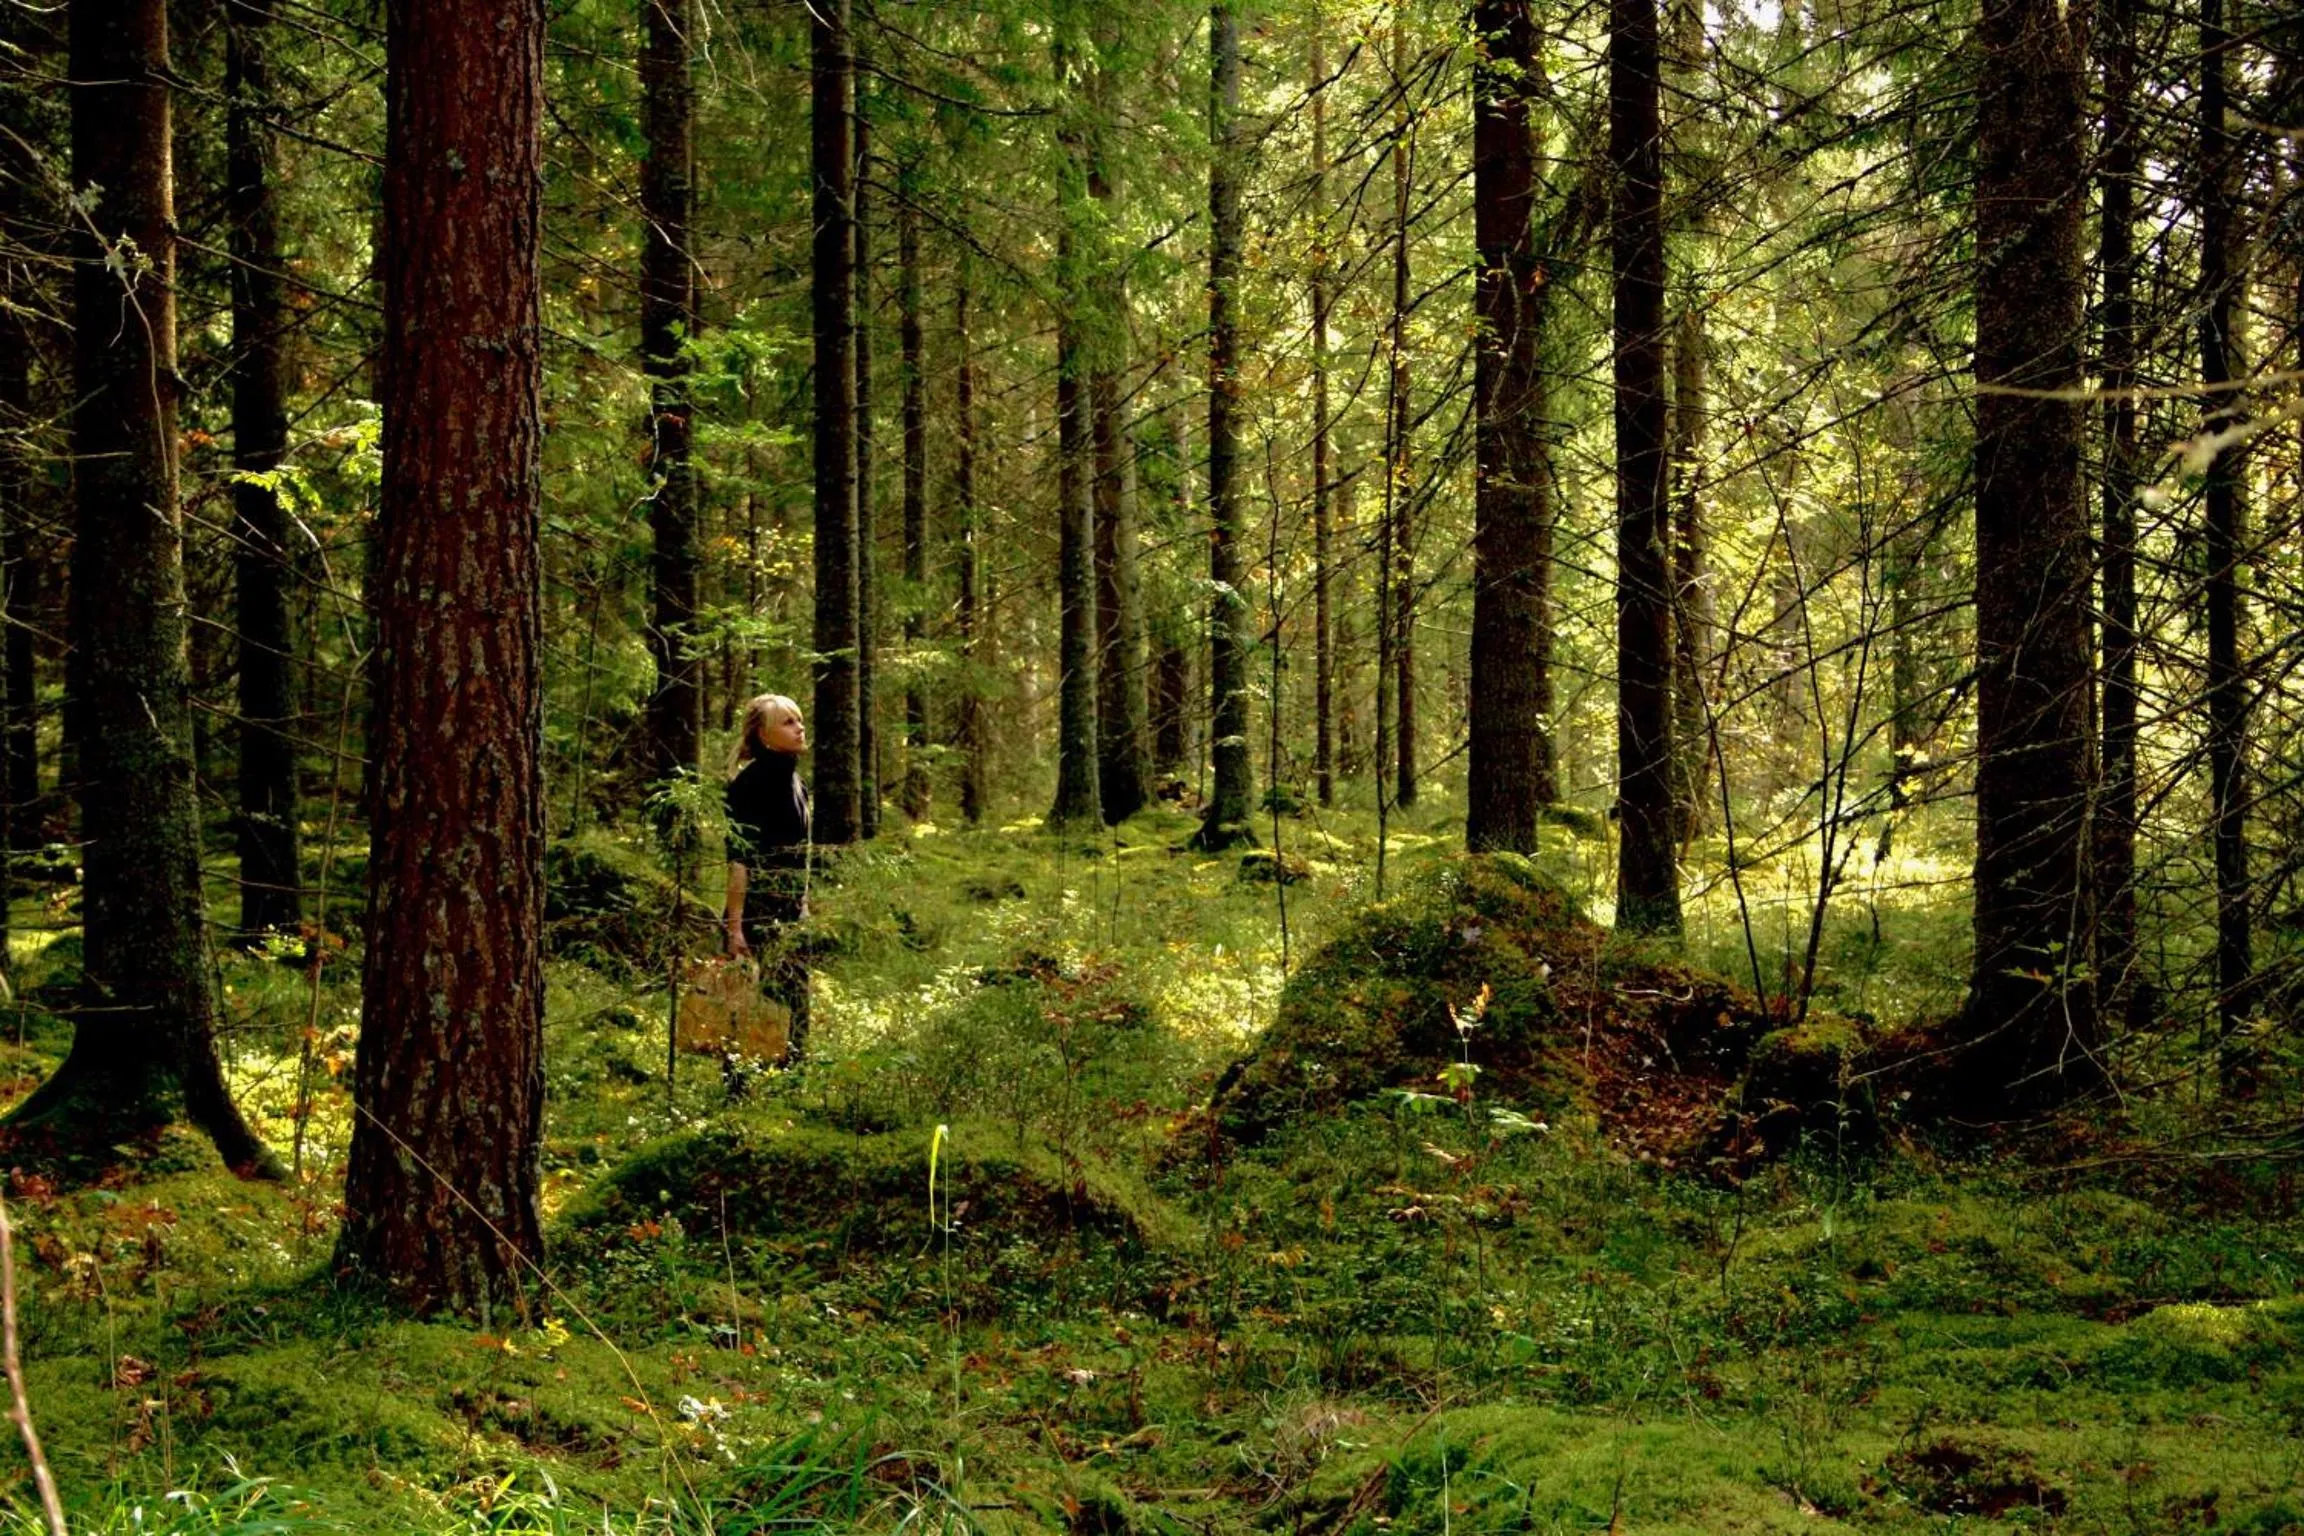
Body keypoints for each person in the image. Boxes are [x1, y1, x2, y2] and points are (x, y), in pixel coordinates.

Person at [724, 692, 812, 1068]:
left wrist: (803, 905)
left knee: (794, 1008)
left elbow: (799, 854)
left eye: (799, 720)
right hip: (758, 913)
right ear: (763, 735)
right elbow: (739, 860)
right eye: (788, 722)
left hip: (790, 912)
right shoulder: (749, 785)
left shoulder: (796, 782)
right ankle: (739, 1098)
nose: (799, 728)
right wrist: (735, 927)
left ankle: (790, 1090)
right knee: (751, 1010)